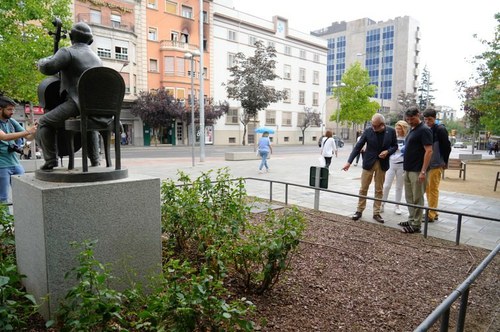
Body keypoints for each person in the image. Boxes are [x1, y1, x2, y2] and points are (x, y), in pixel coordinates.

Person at [36, 22, 102, 170]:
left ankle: (51, 160)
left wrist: (41, 61)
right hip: (95, 105)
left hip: (77, 102)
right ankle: (95, 160)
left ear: (71, 37)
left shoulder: (68, 52)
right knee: (88, 124)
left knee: (44, 122)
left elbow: (48, 67)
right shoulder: (97, 59)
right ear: (90, 41)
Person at [342, 114, 398, 224]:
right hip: (369, 163)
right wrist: (349, 162)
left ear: (382, 125)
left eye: (375, 126)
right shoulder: (368, 131)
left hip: (382, 164)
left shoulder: (391, 131)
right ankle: (359, 210)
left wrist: (387, 152)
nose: (373, 127)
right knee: (363, 188)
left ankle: (376, 212)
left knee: (379, 189)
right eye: (372, 125)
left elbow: (395, 146)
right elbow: (358, 147)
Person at [400, 106, 433, 234]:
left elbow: (429, 151)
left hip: (417, 170)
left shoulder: (424, 130)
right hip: (408, 168)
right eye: (407, 119)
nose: (409, 121)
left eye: (412, 118)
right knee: (409, 196)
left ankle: (416, 224)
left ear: (418, 115)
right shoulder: (412, 129)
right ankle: (412, 219)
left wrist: (423, 171)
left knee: (417, 197)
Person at [0, 95, 37, 203]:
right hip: (1, 166)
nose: (12, 112)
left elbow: (29, 137)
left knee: (23, 194)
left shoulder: (11, 121)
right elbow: (4, 137)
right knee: (2, 198)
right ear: (0, 109)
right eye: (9, 109)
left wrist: (36, 130)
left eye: (13, 109)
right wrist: (28, 131)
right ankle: (5, 220)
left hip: (15, 163)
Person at [423, 108, 451, 222]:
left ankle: (432, 213)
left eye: (430, 119)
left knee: (432, 189)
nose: (427, 122)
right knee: (429, 189)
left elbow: (447, 147)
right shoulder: (427, 129)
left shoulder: (440, 129)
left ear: (434, 118)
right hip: (429, 164)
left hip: (436, 163)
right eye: (425, 119)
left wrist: (445, 162)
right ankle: (433, 211)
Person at [381, 120, 410, 215]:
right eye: (396, 128)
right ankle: (382, 203)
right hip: (391, 163)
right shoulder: (392, 136)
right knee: (387, 185)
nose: (397, 130)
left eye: (399, 128)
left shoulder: (407, 138)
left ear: (404, 129)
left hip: (402, 164)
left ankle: (397, 206)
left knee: (399, 187)